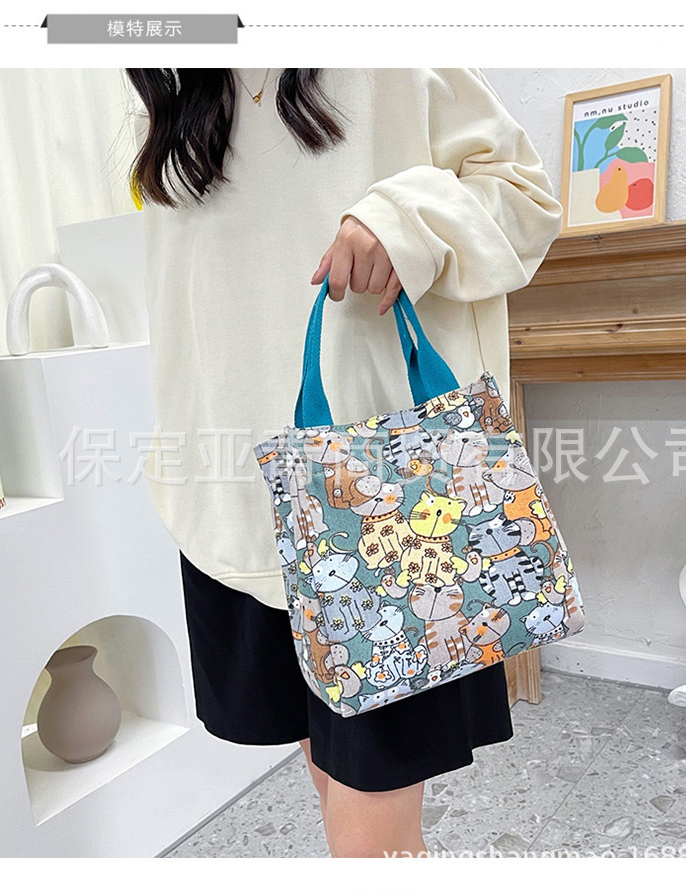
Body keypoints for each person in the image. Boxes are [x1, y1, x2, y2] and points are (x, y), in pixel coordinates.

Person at [126, 67, 563, 858]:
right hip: (230, 502)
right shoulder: (176, 92)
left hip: (384, 509)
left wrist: (406, 220)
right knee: (332, 781)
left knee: (368, 833)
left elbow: (524, 194)